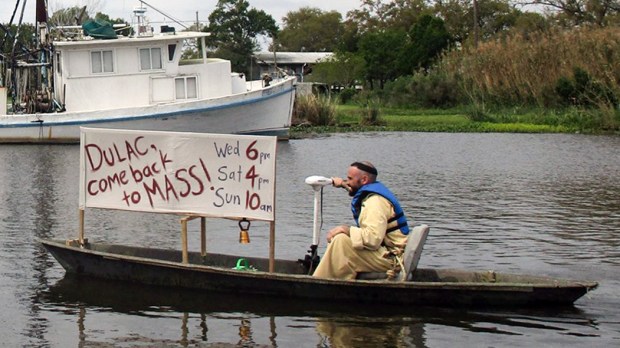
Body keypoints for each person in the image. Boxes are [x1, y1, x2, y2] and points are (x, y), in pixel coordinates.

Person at [312, 161, 410, 279]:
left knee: (341, 242)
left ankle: (320, 282)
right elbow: (353, 187)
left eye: (350, 178)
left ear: (364, 180)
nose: (347, 181)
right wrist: (341, 183)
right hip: (384, 253)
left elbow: (373, 239)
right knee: (342, 239)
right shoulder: (371, 193)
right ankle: (333, 278)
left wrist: (346, 229)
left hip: (390, 259)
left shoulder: (375, 203)